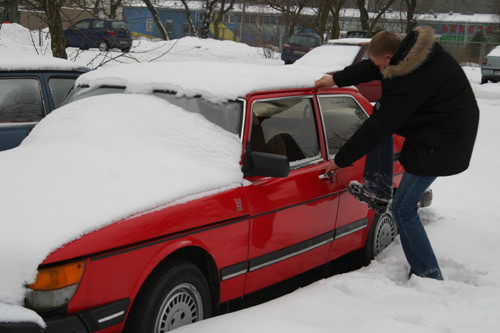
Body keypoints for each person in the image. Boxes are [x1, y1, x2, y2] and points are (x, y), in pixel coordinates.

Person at [315, 26, 479, 280]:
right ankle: (379, 189)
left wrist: (341, 160)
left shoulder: (412, 79)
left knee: (403, 208)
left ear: (390, 58)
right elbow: (372, 67)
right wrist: (335, 79)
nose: (378, 69)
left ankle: (428, 273)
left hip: (444, 141)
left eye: (381, 64)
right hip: (436, 127)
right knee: (382, 115)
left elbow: (379, 126)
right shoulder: (412, 54)